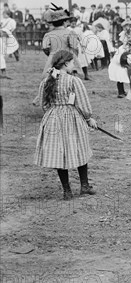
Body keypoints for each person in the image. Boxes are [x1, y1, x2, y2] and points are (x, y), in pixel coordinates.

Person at [35, 50, 98, 200]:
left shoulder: (46, 81)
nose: (73, 65)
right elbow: (82, 102)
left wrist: (54, 112)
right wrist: (89, 118)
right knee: (79, 148)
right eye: (72, 63)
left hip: (53, 118)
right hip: (72, 117)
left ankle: (67, 190)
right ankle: (84, 185)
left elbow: (44, 104)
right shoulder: (73, 80)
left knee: (59, 152)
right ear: (65, 64)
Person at [41, 6, 82, 76]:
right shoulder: (70, 33)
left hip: (53, 59)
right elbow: (74, 46)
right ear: (64, 22)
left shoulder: (48, 35)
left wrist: (51, 54)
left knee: (51, 77)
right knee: (70, 78)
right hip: (67, 59)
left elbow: (45, 48)